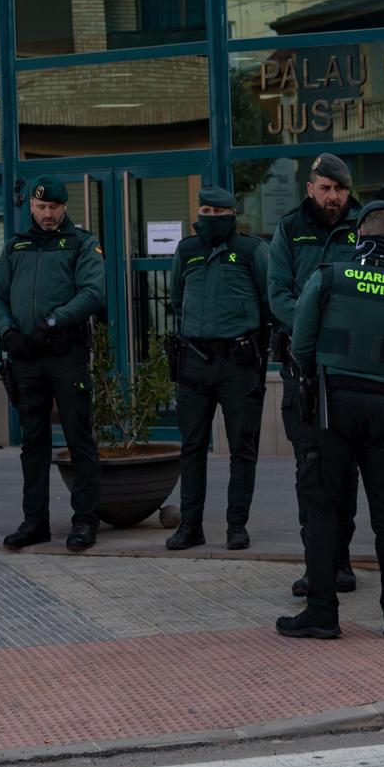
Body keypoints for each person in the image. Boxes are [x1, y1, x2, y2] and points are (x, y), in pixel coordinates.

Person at [278, 199, 384, 640]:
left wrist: (315, 383)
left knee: (323, 512)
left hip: (332, 407)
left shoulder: (329, 277)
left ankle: (321, 613)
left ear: (357, 238)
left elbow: (300, 342)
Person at [0, 176, 105, 552]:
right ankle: (34, 521)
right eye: (41, 207)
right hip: (25, 356)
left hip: (64, 355)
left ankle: (85, 521)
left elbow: (93, 292)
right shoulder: (15, 246)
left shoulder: (81, 243)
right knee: (32, 443)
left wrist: (53, 321)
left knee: (78, 439)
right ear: (32, 208)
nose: (48, 214)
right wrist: (7, 332)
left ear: (64, 207)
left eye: (54, 207)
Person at [266, 153, 363, 597]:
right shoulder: (289, 229)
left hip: (350, 368)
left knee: (345, 469)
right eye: (325, 188)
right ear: (310, 188)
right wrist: (312, 332)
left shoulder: (364, 225)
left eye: (339, 189)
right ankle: (317, 566)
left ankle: (341, 562)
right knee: (311, 467)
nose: (333, 197)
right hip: (303, 367)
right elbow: (278, 296)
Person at [164, 185, 270, 551]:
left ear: (232, 214)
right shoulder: (186, 250)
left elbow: (268, 302)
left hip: (239, 362)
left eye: (217, 213)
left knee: (243, 446)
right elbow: (177, 299)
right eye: (205, 212)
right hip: (194, 360)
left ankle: (236, 525)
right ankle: (190, 527)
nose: (210, 219)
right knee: (191, 447)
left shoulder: (252, 250)